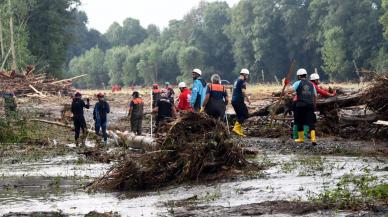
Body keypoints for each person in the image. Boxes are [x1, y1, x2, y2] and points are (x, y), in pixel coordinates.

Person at [286, 68, 318, 146]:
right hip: (310, 105)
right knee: (311, 122)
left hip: (301, 105)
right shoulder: (311, 84)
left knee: (299, 121)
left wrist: (287, 84)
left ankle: (301, 138)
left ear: (299, 76)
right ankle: (313, 139)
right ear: (306, 75)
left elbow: (290, 91)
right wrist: (314, 105)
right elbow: (315, 95)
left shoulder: (298, 83)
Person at [231, 69, 251, 136]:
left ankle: (239, 131)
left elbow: (234, 91)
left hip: (234, 100)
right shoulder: (242, 81)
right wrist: (248, 99)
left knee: (240, 115)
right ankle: (236, 128)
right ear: (244, 75)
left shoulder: (236, 81)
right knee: (245, 114)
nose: (247, 77)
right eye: (247, 75)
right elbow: (243, 91)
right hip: (239, 100)